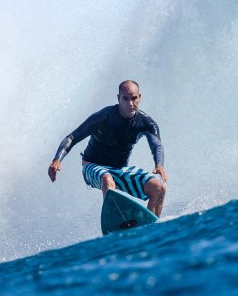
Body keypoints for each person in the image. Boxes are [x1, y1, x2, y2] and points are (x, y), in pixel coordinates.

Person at [47, 80, 168, 216]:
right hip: (92, 166)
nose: (130, 103)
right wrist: (57, 159)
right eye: (125, 99)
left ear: (140, 97)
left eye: (134, 98)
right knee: (106, 178)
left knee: (159, 188)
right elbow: (72, 137)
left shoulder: (147, 123)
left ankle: (150, 226)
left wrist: (159, 165)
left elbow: (156, 145)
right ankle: (116, 220)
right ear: (118, 98)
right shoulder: (103, 116)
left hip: (120, 170)